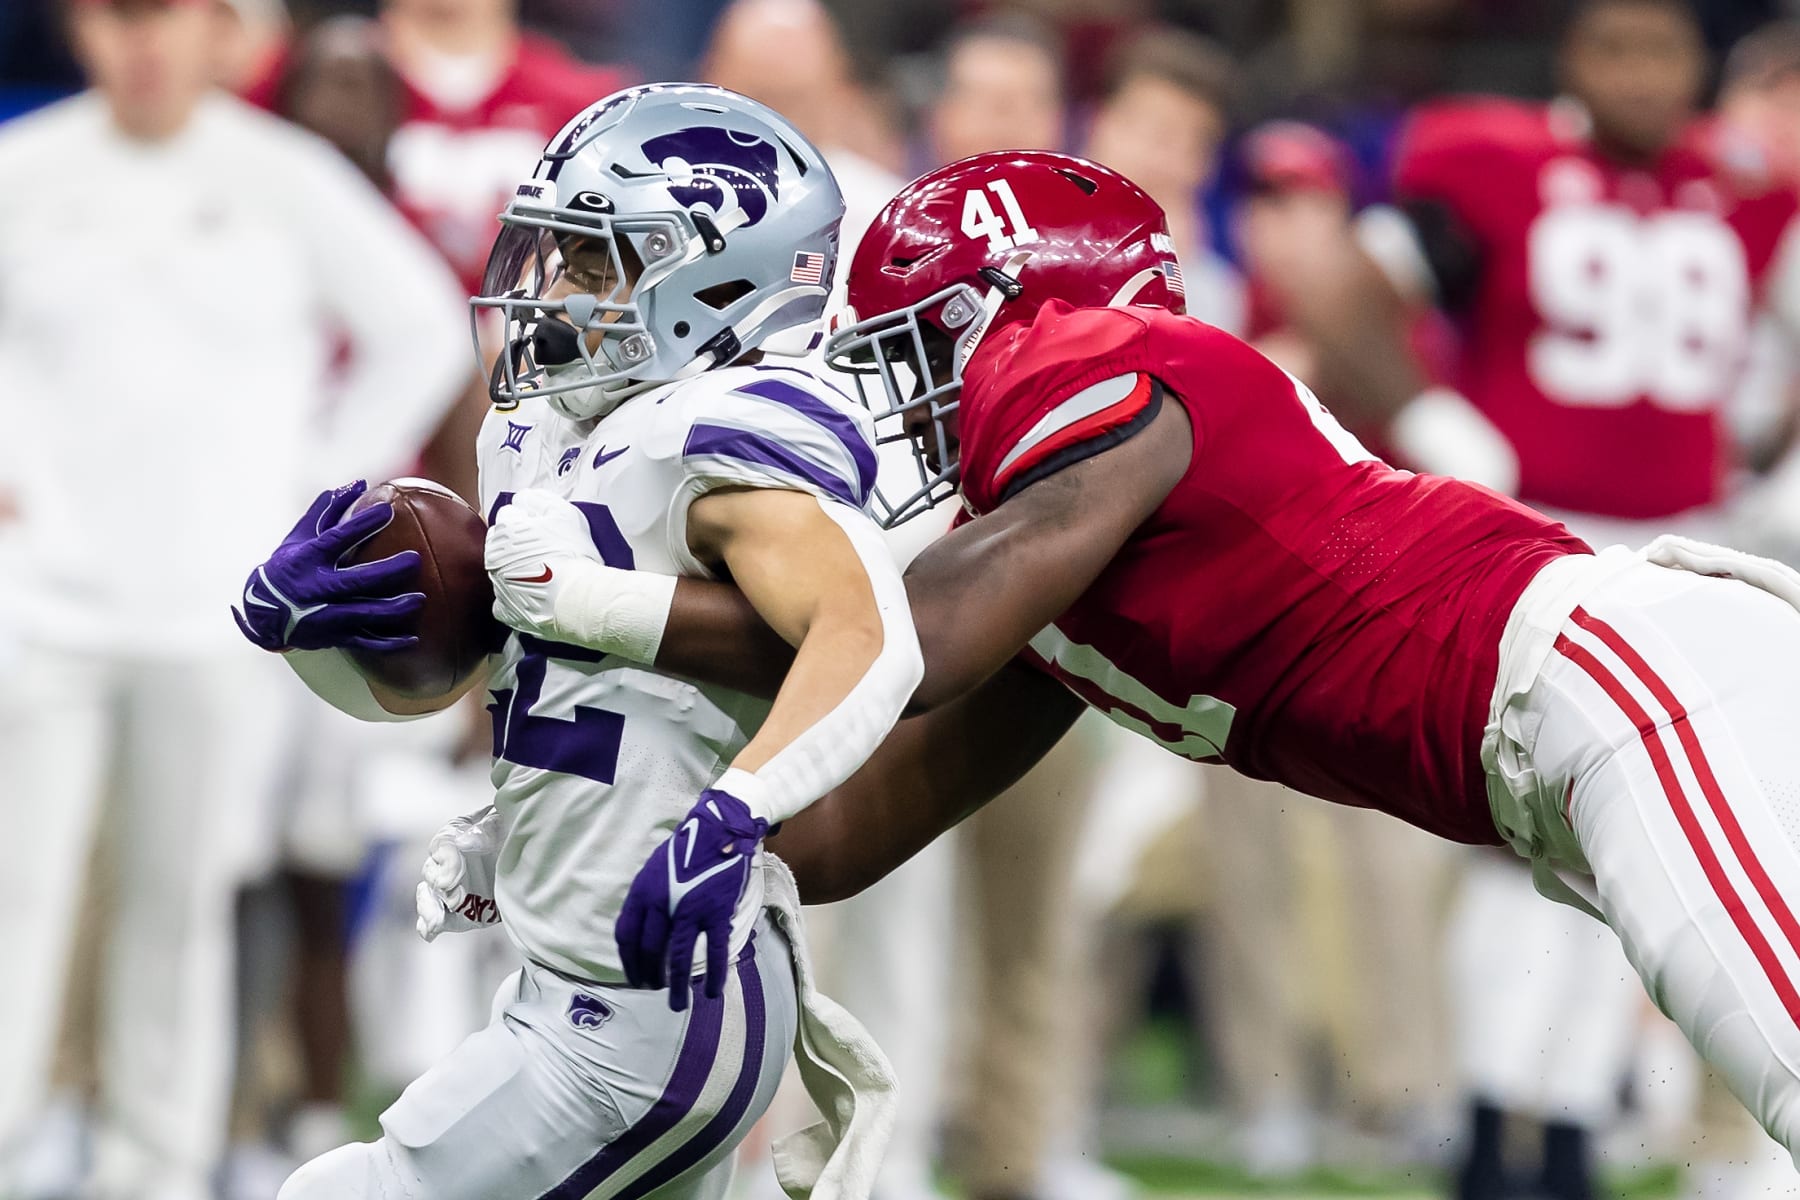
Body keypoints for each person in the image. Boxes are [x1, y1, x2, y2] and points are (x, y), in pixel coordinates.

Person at [470, 144, 1800, 1166]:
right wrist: (570, 810)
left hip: (1624, 683)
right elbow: (841, 836)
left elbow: (911, 642)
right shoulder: (1053, 570)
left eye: (915, 340)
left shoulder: (1099, 354)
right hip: (1575, 741)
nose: (898, 391)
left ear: (1013, 309)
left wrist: (590, 604)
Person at [235, 84, 919, 1200]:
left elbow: (871, 637)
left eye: (595, 263)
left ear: (717, 281)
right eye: (552, 254)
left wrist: (733, 816)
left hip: (651, 1005)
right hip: (574, 974)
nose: (551, 293)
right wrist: (316, 634)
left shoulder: (720, 432)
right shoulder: (548, 425)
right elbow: (544, 679)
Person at [0, 0, 469, 1194]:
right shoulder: (27, 168)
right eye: (116, 19)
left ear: (215, 31)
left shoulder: (285, 177)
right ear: (82, 31)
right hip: (44, 609)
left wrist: (315, 492)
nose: (142, 46)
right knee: (17, 906)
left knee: (185, 910)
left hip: (217, 618)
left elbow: (425, 329)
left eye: (166, 19)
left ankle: (153, 1171)